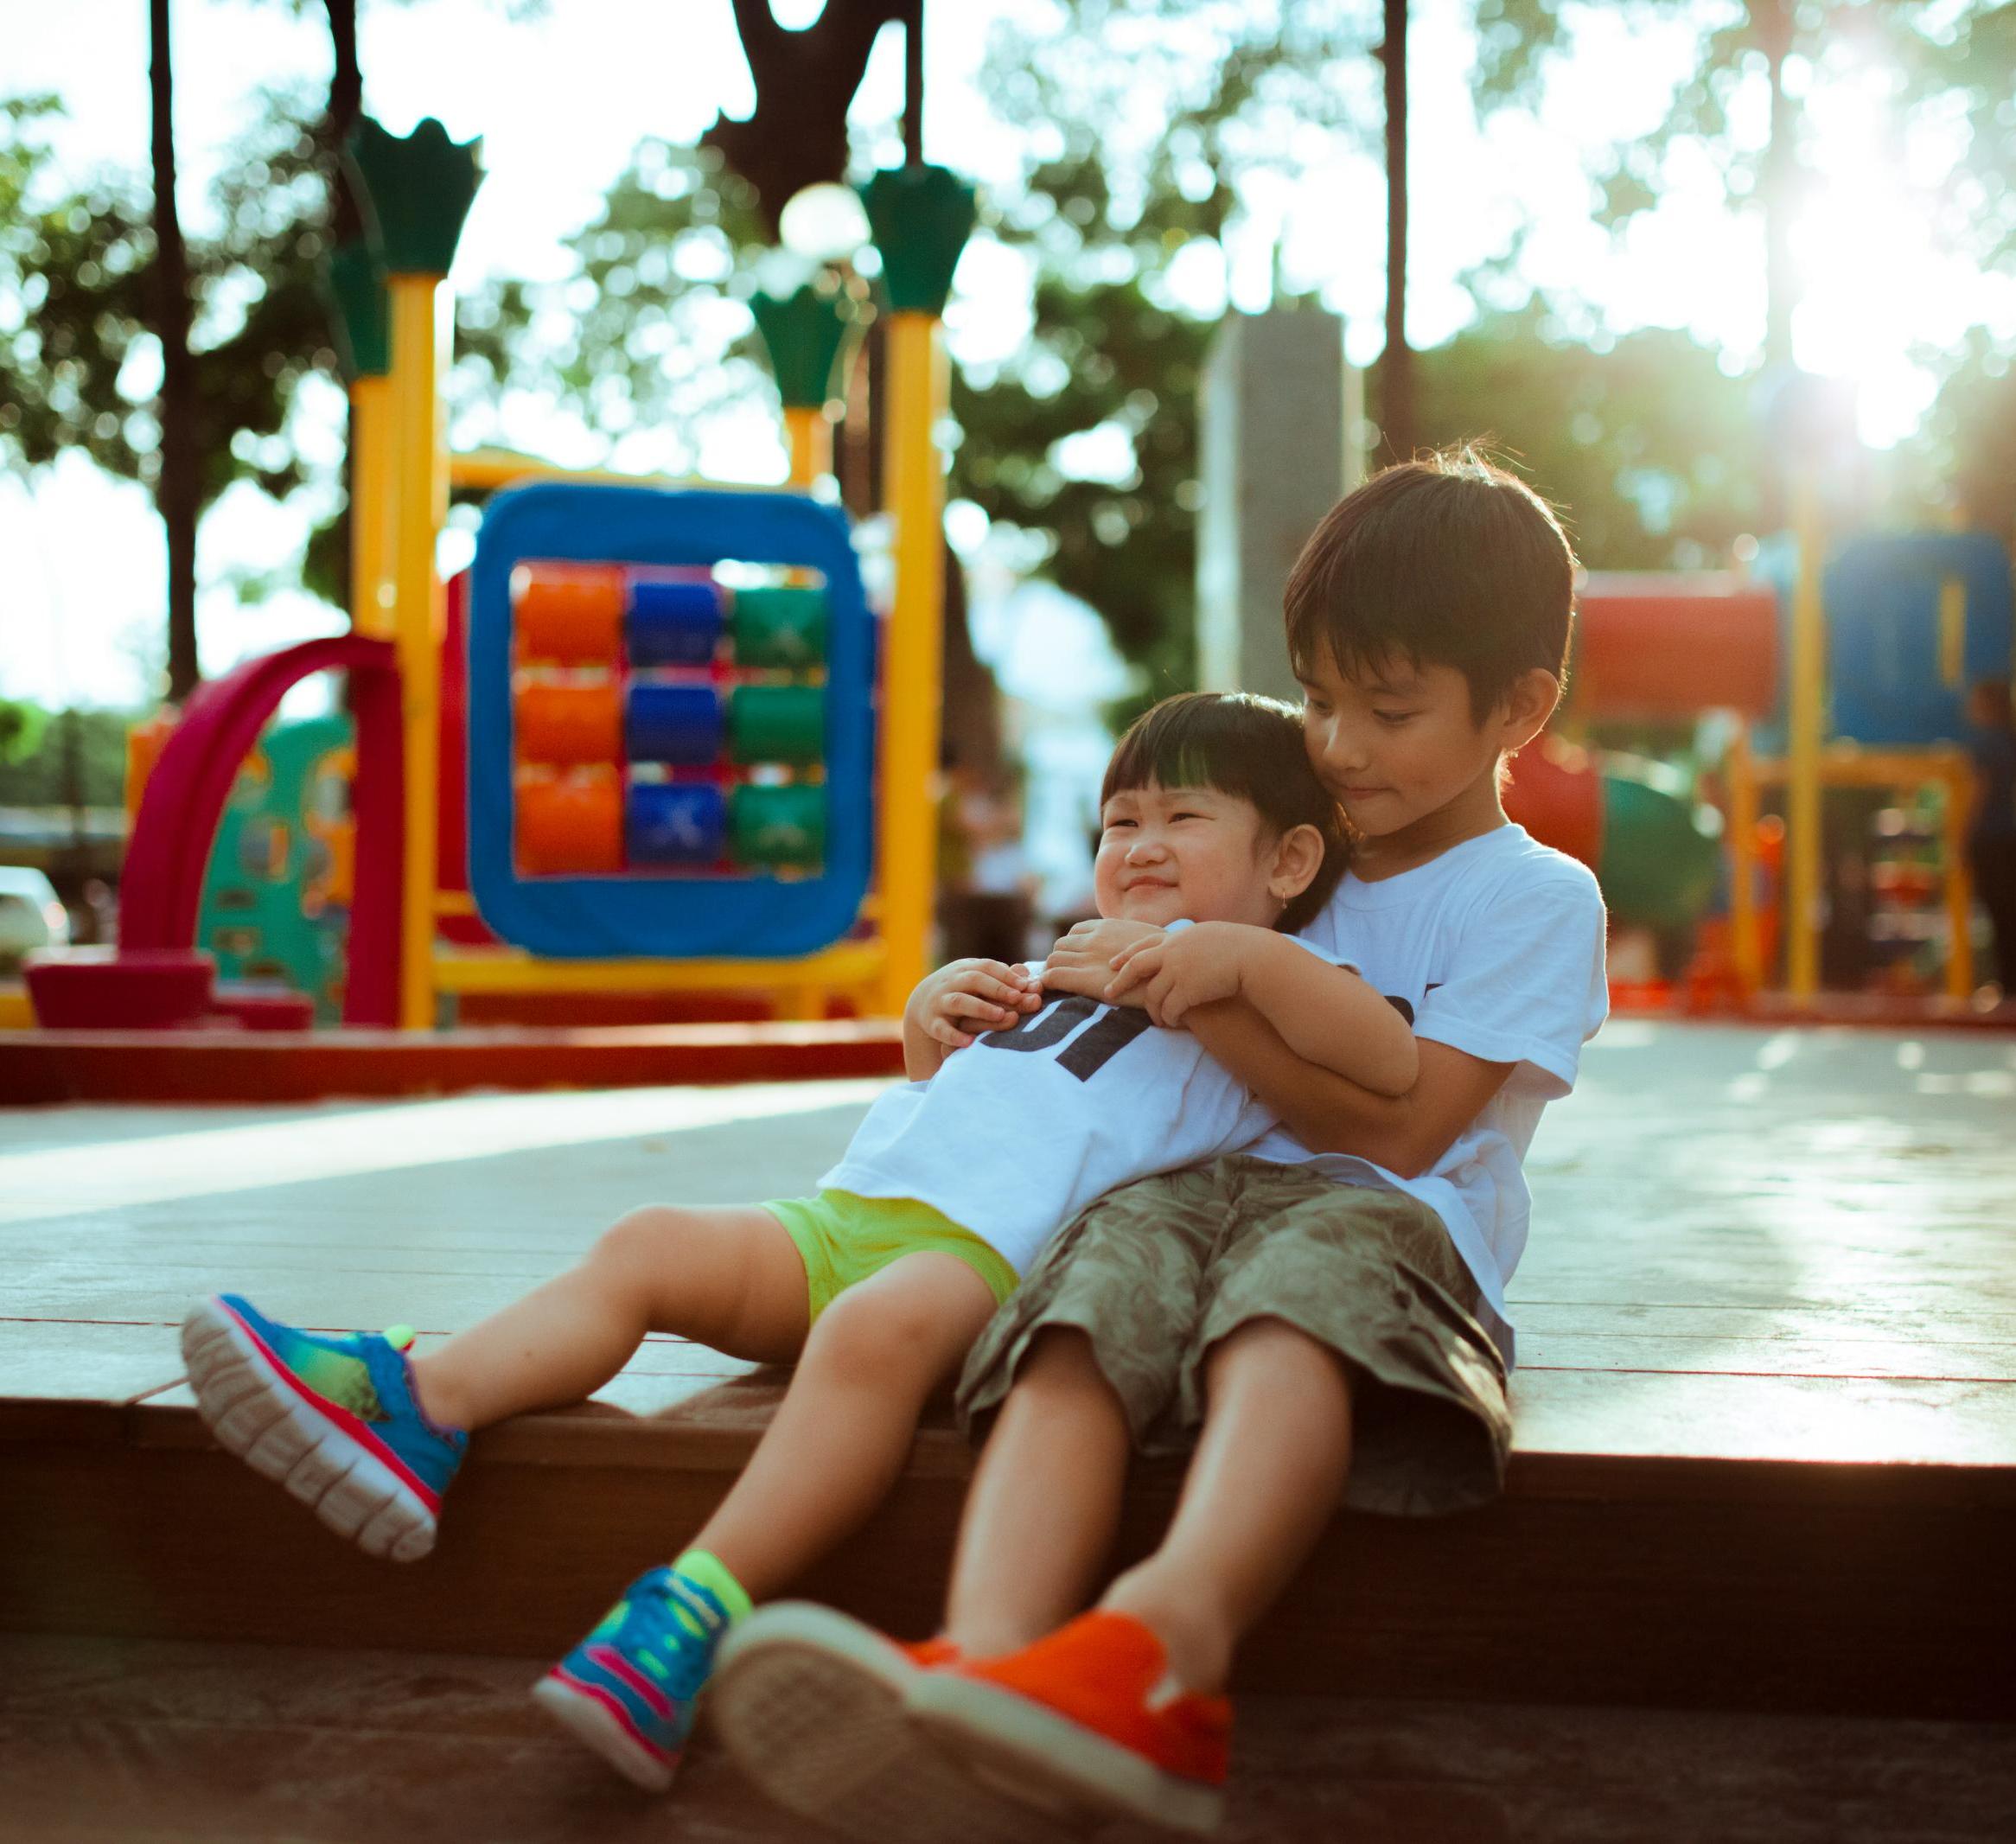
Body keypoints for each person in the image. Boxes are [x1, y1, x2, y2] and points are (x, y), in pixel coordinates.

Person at [177, 691, 1417, 1806]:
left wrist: (1239, 957)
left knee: (867, 1335)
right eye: (1117, 822)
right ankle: (421, 1406)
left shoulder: (1275, 985)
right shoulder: (1070, 959)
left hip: (987, 1263)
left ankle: (687, 1616)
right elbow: (984, 1088)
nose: (1137, 846)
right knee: (650, 1241)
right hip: (851, 1216)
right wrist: (932, 1023)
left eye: (1181, 818)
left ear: (1290, 858)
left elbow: (1385, 1057)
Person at [711, 450, 1611, 1840]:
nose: (1343, 746)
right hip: (1188, 1189)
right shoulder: (1285, 840)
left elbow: (1414, 1124)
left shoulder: (1532, 897)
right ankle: (991, 1662)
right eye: (1318, 700)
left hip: (1392, 1220)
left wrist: (1206, 973)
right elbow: (1117, 1033)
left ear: (1521, 709)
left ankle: (1158, 1652)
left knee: (1286, 1312)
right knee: (1077, 1306)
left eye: (1391, 709)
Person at [1964, 678, 2016, 999]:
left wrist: (1962, 835)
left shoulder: (1986, 743)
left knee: (1999, 911)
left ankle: (2008, 984)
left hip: (1991, 837)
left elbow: (1978, 792)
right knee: (2008, 910)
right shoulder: (2010, 740)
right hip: (2010, 836)